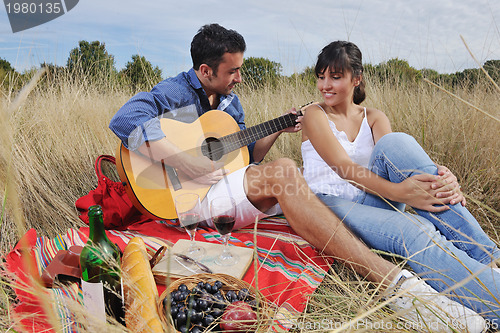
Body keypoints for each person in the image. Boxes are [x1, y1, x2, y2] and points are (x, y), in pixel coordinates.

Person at [109, 24, 486, 331]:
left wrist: (272, 131)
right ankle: (398, 287)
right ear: (205, 71)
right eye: (232, 70)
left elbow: (245, 158)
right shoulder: (175, 91)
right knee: (287, 172)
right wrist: (182, 161)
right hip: (181, 196)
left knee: (284, 169)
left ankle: (484, 262)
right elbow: (125, 119)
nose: (240, 77)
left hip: (223, 186)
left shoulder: (230, 104)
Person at [301, 40, 500, 326]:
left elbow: (398, 163)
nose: (325, 85)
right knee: (415, 230)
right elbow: (344, 168)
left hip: (371, 200)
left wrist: (442, 178)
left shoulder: (374, 117)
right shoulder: (313, 114)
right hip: (329, 204)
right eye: (321, 76)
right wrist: (401, 194)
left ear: (356, 78)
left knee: (397, 141)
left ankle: (488, 258)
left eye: (335, 76)